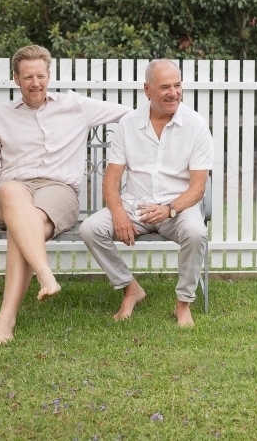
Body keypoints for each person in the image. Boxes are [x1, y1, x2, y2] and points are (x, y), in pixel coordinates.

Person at [0, 45, 130, 345]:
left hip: (58, 192)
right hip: (14, 190)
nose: (35, 83)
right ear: (16, 79)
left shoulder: (75, 105)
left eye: (40, 76)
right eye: (27, 77)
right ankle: (44, 273)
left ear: (49, 75)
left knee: (21, 229)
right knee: (10, 191)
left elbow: (130, 115)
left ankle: (6, 319)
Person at [80, 59, 212, 328]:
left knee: (197, 232)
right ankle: (130, 288)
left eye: (177, 85)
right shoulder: (129, 124)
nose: (173, 93)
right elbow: (111, 180)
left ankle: (183, 303)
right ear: (147, 90)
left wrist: (169, 209)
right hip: (135, 206)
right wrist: (118, 213)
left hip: (178, 209)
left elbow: (198, 188)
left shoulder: (196, 125)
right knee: (91, 228)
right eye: (165, 87)